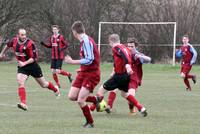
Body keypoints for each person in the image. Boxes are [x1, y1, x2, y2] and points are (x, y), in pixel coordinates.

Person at [86, 34, 147, 117]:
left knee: (101, 91)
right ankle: (141, 108)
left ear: (111, 42)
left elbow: (124, 56)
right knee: (124, 94)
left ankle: (91, 109)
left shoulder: (116, 47)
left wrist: (127, 66)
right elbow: (119, 60)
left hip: (119, 76)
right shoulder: (124, 47)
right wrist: (115, 70)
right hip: (126, 76)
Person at [0, 29, 60, 111]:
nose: (24, 36)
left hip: (33, 66)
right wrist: (2, 53)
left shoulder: (30, 43)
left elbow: (34, 58)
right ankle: (23, 103)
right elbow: (8, 45)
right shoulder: (14, 41)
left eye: (25, 34)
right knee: (20, 82)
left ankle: (55, 89)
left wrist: (24, 63)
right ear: (18, 35)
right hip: (22, 67)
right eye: (22, 35)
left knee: (44, 84)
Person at [64, 21, 100, 128]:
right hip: (84, 72)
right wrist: (81, 68)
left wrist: (72, 61)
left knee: (80, 100)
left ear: (74, 32)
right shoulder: (84, 41)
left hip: (92, 74)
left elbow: (90, 59)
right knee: (72, 96)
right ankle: (96, 100)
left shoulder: (86, 41)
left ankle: (90, 122)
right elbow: (87, 60)